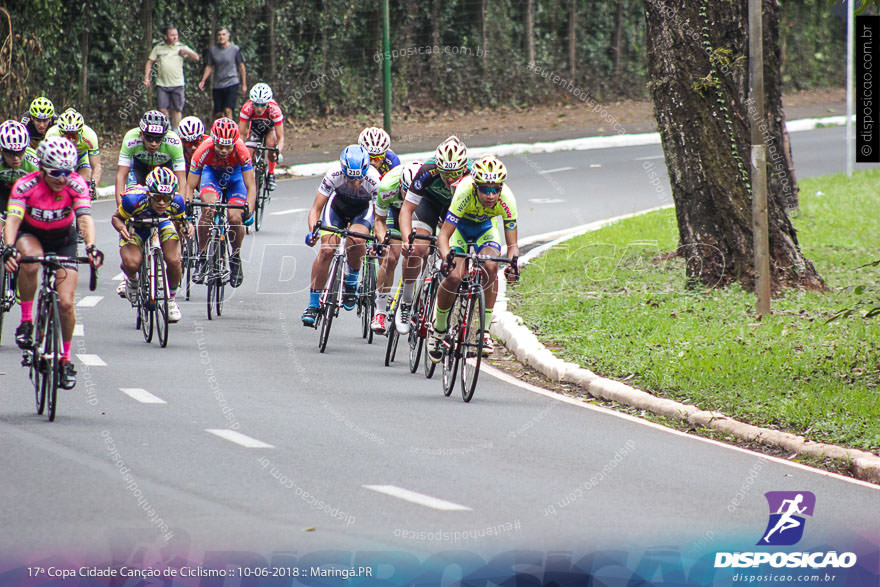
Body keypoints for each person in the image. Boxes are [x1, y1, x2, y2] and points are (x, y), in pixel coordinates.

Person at [2, 137, 103, 389]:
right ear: (43, 169)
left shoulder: (75, 184)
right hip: (31, 235)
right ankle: (26, 321)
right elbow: (13, 220)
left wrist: (90, 247)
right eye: (55, 173)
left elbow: (85, 219)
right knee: (31, 262)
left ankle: (65, 360)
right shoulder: (26, 185)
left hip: (62, 240)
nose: (61, 179)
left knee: (66, 303)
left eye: (66, 173)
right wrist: (9, 248)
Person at [427, 155, 519, 361]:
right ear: (476, 186)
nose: (491, 195)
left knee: (491, 265)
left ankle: (483, 332)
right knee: (453, 276)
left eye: (496, 189)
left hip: (485, 230)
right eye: (485, 189)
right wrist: (445, 257)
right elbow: (444, 235)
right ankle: (439, 328)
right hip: (459, 230)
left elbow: (512, 246)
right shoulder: (464, 191)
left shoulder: (507, 199)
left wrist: (513, 265)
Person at [395, 135, 470, 335]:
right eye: (446, 174)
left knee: (457, 260)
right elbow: (406, 210)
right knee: (417, 248)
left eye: (456, 174)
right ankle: (406, 301)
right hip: (430, 203)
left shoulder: (472, 174)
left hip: (456, 207)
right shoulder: (428, 171)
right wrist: (405, 239)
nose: (451, 179)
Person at [301, 145, 380, 326]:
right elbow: (316, 209)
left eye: (359, 177)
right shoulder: (333, 174)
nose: (355, 182)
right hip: (337, 207)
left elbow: (379, 217)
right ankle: (313, 305)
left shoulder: (375, 180)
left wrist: (376, 240)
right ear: (343, 170)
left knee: (357, 240)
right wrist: (313, 232)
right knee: (327, 250)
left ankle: (351, 281)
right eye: (350, 178)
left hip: (363, 210)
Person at [112, 167, 191, 322]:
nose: (162, 203)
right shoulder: (132, 200)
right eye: (158, 198)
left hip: (163, 224)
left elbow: (182, 222)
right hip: (137, 226)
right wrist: (122, 228)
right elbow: (116, 218)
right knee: (132, 263)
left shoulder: (177, 201)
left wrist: (186, 228)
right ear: (149, 194)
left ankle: (171, 300)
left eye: (166, 198)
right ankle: (132, 281)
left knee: (174, 260)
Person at [185, 117, 256, 288]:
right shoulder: (203, 150)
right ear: (213, 141)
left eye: (228, 146)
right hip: (212, 176)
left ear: (234, 143)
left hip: (235, 178)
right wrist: (187, 207)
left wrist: (249, 211)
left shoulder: (242, 150)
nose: (224, 150)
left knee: (234, 218)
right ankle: (202, 257)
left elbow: (251, 186)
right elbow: (189, 185)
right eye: (220, 146)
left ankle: (235, 258)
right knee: (208, 209)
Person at [370, 160, 422, 332]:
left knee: (418, 250)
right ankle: (380, 311)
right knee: (391, 257)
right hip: (393, 212)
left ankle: (416, 298)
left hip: (418, 214)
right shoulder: (387, 186)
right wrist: (383, 240)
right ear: (400, 184)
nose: (409, 197)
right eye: (406, 192)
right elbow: (379, 220)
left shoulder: (426, 185)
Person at [115, 110, 186, 206]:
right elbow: (121, 176)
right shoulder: (131, 139)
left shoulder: (174, 142)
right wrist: (121, 207)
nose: (153, 143)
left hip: (165, 168)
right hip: (140, 167)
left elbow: (181, 179)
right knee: (131, 199)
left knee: (170, 198)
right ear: (141, 134)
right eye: (149, 138)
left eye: (158, 139)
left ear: (164, 137)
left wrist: (180, 208)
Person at [144, 26, 200, 129]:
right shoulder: (158, 48)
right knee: (162, 108)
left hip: (178, 84)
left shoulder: (181, 46)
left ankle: (176, 131)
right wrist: (147, 78)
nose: (175, 37)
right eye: (172, 35)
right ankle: (167, 129)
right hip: (162, 84)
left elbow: (196, 57)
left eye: (176, 35)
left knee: (177, 109)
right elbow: (149, 61)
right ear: (166, 36)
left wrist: (186, 52)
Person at [45, 109, 101, 198]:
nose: (71, 139)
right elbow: (46, 163)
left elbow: (96, 166)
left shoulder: (90, 136)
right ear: (61, 132)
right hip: (60, 159)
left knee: (82, 186)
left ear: (80, 132)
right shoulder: (52, 134)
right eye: (67, 135)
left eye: (74, 135)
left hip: (81, 157)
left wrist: (93, 186)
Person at [238, 82, 284, 190]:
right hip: (255, 128)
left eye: (262, 105)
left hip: (269, 129)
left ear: (268, 103)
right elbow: (241, 133)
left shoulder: (275, 111)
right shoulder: (247, 109)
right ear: (252, 103)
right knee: (248, 152)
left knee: (271, 144)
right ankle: (246, 176)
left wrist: (278, 152)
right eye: (256, 104)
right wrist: (241, 149)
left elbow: (281, 137)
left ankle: (271, 174)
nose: (259, 108)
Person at [198, 27, 246, 121]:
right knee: (218, 113)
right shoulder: (213, 51)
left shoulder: (235, 49)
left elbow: (241, 66)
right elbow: (209, 66)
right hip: (218, 84)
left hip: (231, 82)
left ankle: (231, 132)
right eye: (219, 35)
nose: (221, 37)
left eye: (223, 34)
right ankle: (219, 132)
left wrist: (244, 84)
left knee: (228, 110)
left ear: (228, 36)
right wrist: (203, 80)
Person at [0, 121, 39, 219]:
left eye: (20, 152)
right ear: (1, 150)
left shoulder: (34, 162)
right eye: (10, 153)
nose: (16, 158)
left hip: (24, 192)